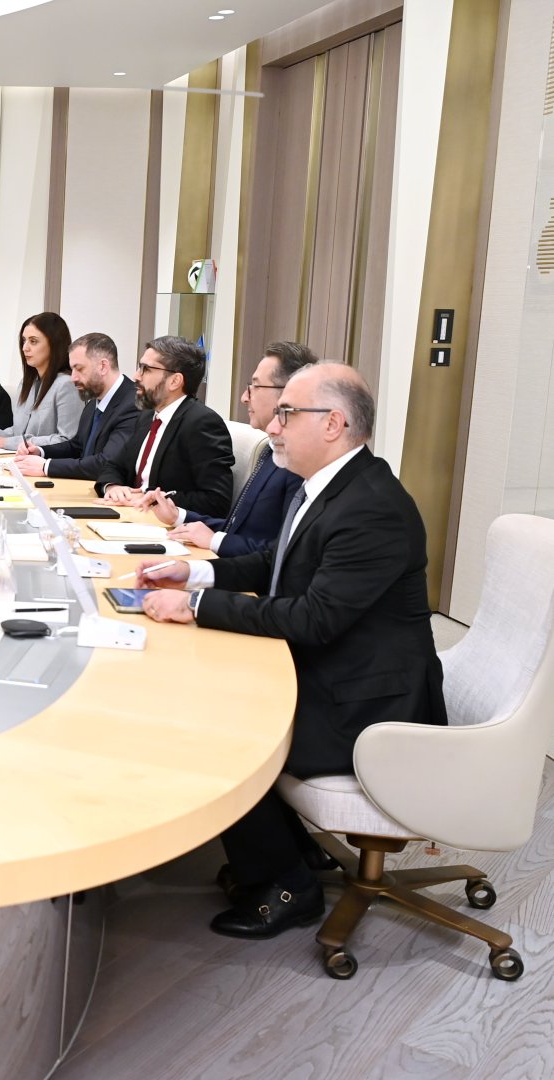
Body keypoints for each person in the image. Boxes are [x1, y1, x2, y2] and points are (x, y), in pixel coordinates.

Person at [135, 363, 445, 939]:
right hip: (337, 672)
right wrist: (194, 574)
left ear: (333, 424)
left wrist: (196, 607)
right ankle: (294, 851)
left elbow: (314, 618)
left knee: (218, 724)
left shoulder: (371, 507)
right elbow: (272, 563)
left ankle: (285, 886)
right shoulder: (329, 485)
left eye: (286, 413)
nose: (272, 426)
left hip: (368, 706)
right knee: (209, 688)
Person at [146, 342, 315, 555]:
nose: (244, 397)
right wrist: (178, 516)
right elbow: (238, 526)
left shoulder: (299, 463)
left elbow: (282, 553)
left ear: (287, 395)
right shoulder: (270, 450)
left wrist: (215, 541)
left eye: (255, 386)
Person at [93, 336, 233, 518]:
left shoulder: (202, 423)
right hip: (130, 516)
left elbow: (216, 501)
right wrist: (113, 487)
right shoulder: (147, 416)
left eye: (146, 369)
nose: (136, 376)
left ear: (175, 381)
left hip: (165, 526)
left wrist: (151, 498)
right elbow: (114, 465)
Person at [10, 332, 139, 480]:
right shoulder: (93, 403)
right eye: (72, 370)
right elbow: (77, 446)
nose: (73, 378)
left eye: (80, 369)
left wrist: (47, 466)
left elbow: (107, 463)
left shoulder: (133, 404)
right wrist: (40, 451)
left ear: (103, 366)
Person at [0, 313, 82, 449]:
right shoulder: (26, 383)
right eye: (24, 340)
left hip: (47, 461)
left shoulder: (67, 384)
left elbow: (67, 439)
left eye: (33, 341)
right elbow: (19, 432)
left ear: (54, 344)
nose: (25, 348)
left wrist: (12, 443)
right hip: (19, 458)